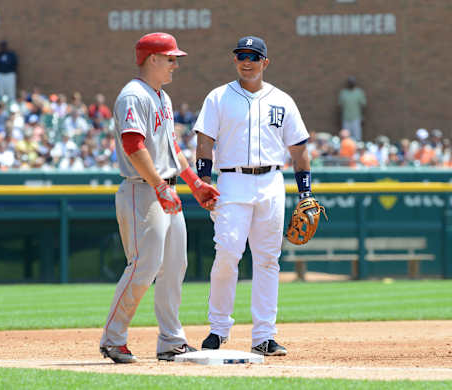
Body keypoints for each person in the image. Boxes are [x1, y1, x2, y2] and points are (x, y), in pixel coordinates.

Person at [99, 32, 219, 364]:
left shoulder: (162, 98)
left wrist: (194, 183)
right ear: (152, 59)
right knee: (144, 266)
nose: (175, 65)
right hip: (142, 189)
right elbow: (133, 147)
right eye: (170, 59)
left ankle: (171, 341)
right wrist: (159, 186)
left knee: (174, 265)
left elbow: (173, 149)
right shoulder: (133, 96)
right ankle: (113, 339)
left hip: (164, 188)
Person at [194, 36, 312, 356]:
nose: (247, 61)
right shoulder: (218, 97)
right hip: (231, 181)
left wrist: (305, 193)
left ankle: (264, 336)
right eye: (241, 55)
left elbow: (299, 150)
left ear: (265, 62)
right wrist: (203, 181)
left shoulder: (283, 100)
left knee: (267, 259)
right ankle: (218, 329)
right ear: (235, 60)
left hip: (272, 180)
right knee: (228, 253)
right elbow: (204, 143)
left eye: (254, 56)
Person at [338, 76, 366, 141]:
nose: (351, 84)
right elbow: (340, 107)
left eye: (352, 82)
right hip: (346, 118)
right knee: (345, 137)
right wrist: (339, 118)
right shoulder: (343, 93)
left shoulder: (359, 92)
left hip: (356, 118)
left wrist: (363, 117)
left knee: (357, 137)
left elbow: (363, 105)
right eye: (350, 82)